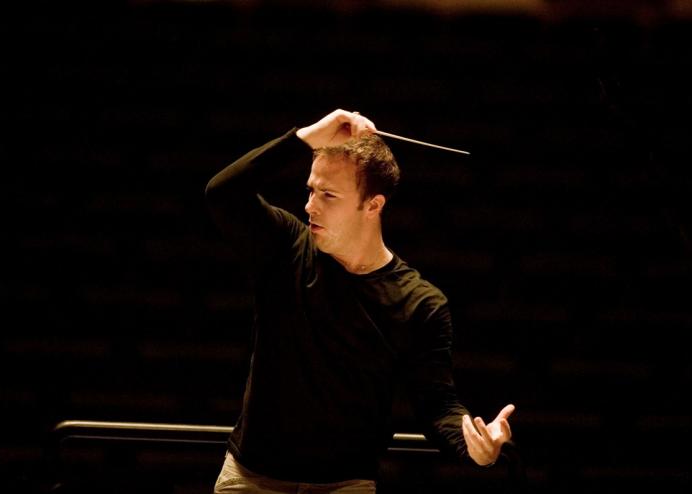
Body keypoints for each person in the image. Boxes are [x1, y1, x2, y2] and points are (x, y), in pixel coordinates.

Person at [205, 109, 517, 493]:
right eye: (311, 190)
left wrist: (476, 449)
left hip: (345, 484)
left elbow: (437, 406)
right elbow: (222, 192)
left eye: (328, 195)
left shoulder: (418, 302)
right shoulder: (285, 247)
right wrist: (307, 136)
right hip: (251, 476)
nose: (310, 206)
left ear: (373, 205)